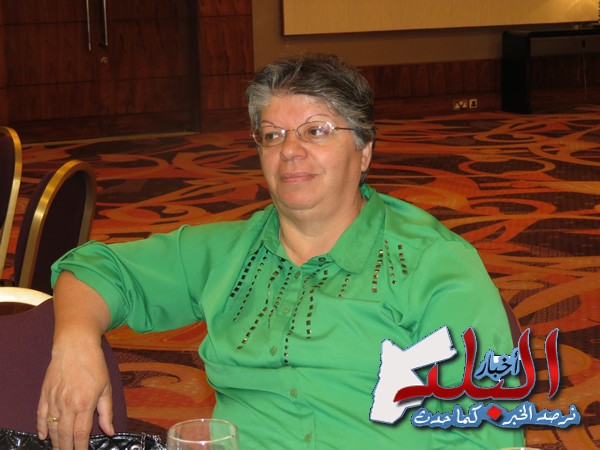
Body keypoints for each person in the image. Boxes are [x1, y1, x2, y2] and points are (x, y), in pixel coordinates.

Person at [37, 53, 524, 449]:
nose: (289, 150)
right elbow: (94, 268)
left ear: (365, 151)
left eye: (316, 130)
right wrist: (75, 342)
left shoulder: (433, 264)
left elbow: (486, 433)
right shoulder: (229, 251)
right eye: (272, 135)